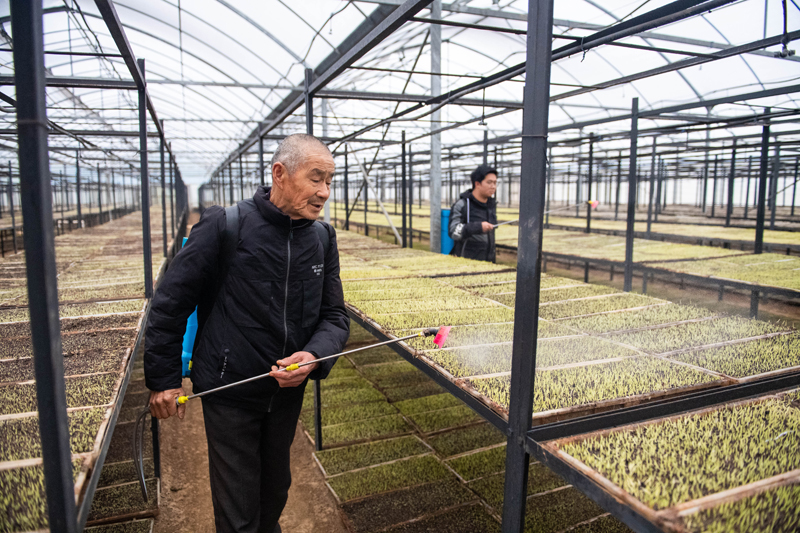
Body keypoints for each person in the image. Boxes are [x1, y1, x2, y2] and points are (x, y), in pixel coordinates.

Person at [144, 133, 350, 533]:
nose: (325, 191)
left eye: (330, 181)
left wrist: (312, 357)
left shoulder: (322, 239)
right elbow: (170, 302)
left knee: (273, 495)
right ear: (280, 174)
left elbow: (334, 316)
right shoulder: (227, 225)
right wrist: (164, 379)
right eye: (316, 178)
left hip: (286, 394)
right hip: (229, 390)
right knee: (238, 511)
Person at [448, 164, 498, 262]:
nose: (493, 186)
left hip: (489, 262)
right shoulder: (462, 205)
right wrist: (478, 227)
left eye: (495, 183)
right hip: (466, 262)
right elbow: (453, 232)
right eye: (489, 182)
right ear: (477, 184)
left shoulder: (491, 206)